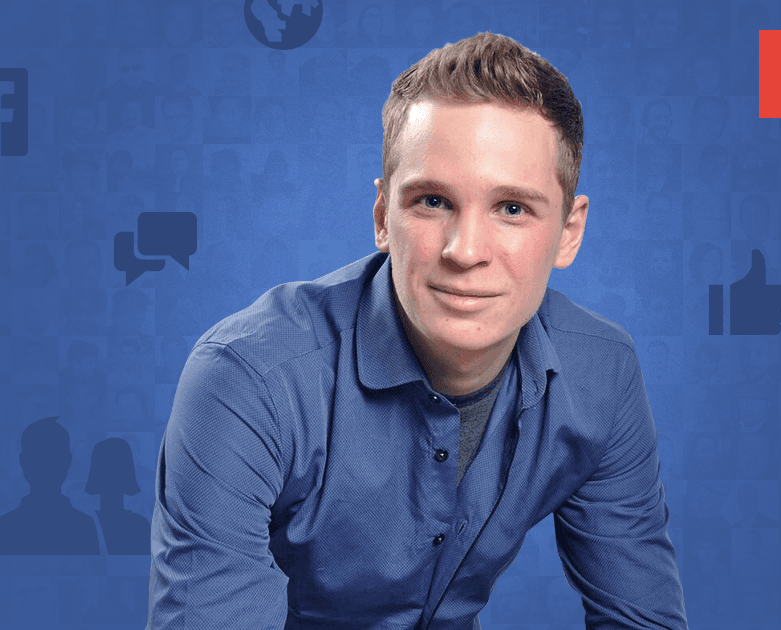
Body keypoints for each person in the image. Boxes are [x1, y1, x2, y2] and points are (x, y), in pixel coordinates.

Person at [148, 33, 687, 629]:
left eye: (512, 208)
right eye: (432, 201)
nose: (466, 251)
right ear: (383, 217)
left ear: (568, 231)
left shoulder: (602, 373)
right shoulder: (248, 379)